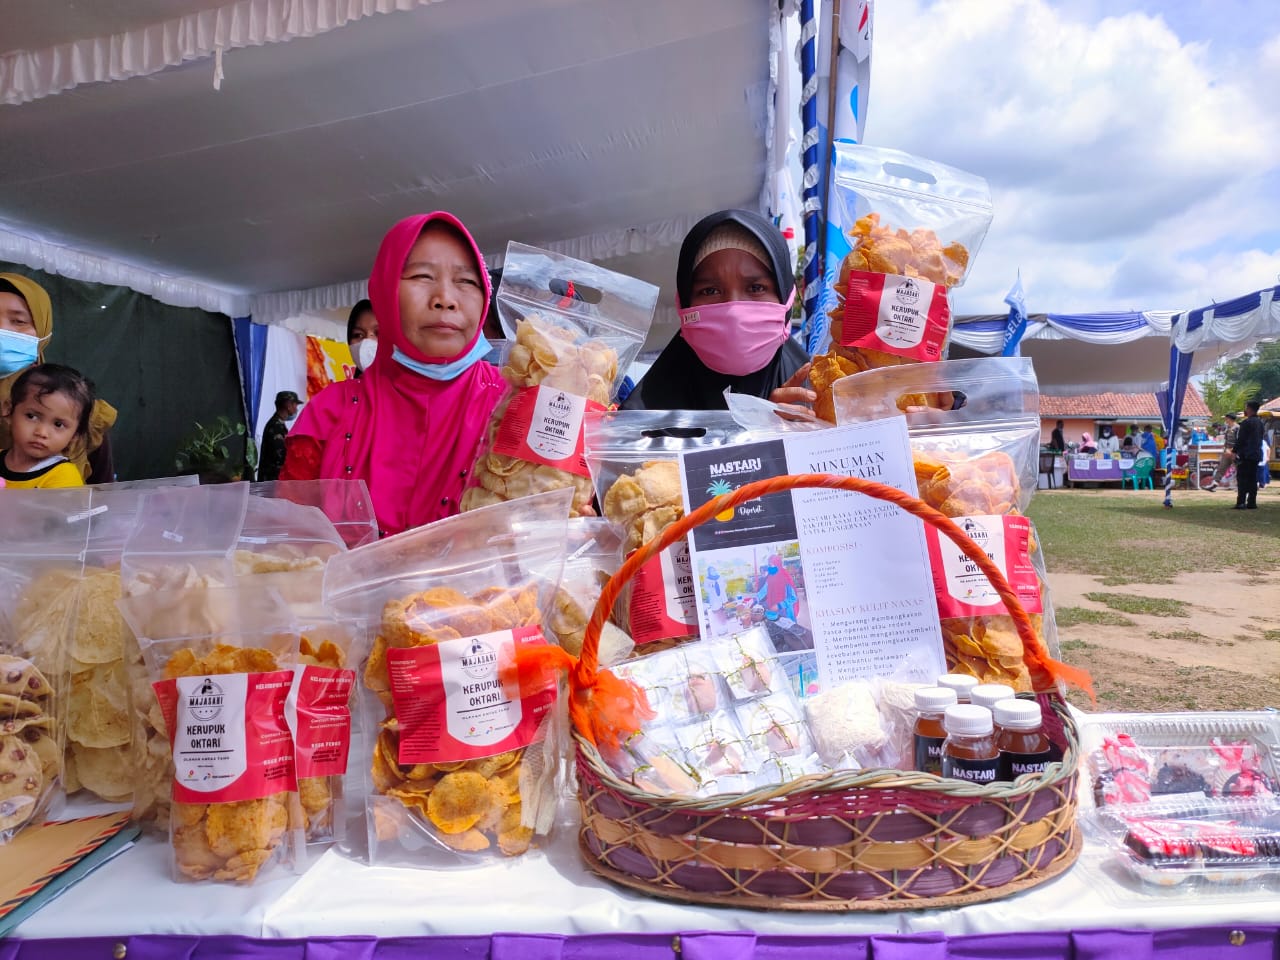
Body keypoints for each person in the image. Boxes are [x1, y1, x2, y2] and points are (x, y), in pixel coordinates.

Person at [281, 211, 504, 537]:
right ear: (384, 291)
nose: (445, 299)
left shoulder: (515, 405)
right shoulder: (331, 412)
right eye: (422, 277)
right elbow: (291, 544)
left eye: (466, 281)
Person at [622, 209, 811, 411]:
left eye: (756, 288)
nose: (733, 313)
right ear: (684, 304)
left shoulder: (825, 403)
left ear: (786, 296)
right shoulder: (639, 424)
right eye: (710, 290)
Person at [0, 273, 117, 482]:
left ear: (43, 331)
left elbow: (101, 495)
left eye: (18, 321)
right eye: (31, 416)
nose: (2, 329)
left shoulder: (75, 406)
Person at [0, 363, 95, 488]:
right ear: (9, 409)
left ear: (75, 434)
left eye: (58, 424)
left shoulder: (64, 478)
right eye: (31, 416)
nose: (42, 432)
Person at [257, 390, 301, 482]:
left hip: (272, 480)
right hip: (271, 480)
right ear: (288, 405)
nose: (296, 408)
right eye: (295, 404)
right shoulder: (276, 426)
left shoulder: (277, 424)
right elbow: (280, 455)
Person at [1232, 401, 1265, 510]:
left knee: (1242, 478)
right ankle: (1252, 502)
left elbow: (1241, 439)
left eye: (1246, 408)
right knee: (1252, 479)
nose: (1245, 410)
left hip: (1246, 454)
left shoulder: (1246, 423)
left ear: (1250, 409)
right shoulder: (1260, 423)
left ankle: (1241, 502)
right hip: (1256, 454)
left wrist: (1234, 451)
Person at [1205, 412, 1238, 492]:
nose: (1225, 420)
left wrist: (1233, 451)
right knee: (1221, 468)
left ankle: (1240, 486)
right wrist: (1225, 449)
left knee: (1239, 469)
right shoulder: (1227, 428)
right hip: (1227, 451)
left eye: (1226, 418)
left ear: (1230, 419)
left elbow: (1239, 441)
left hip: (1235, 452)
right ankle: (1214, 484)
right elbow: (1226, 440)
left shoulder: (1237, 428)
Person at [347, 299, 378, 378]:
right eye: (358, 335)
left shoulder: (411, 388)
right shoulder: (339, 390)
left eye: (378, 333)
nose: (367, 340)